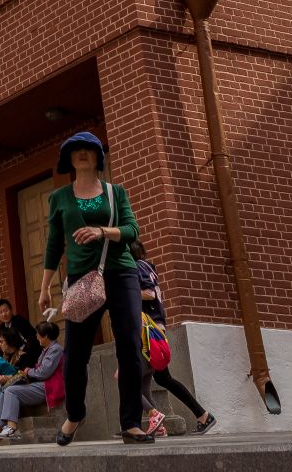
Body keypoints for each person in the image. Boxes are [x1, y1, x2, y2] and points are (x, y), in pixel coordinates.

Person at [35, 130, 154, 445]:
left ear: (98, 157)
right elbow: (52, 245)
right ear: (69, 159)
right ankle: (75, 414)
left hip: (121, 274)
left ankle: (130, 423)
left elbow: (132, 230)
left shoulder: (116, 192)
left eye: (89, 148)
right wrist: (45, 288)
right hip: (81, 279)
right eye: (76, 150)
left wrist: (102, 231)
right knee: (75, 354)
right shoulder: (60, 197)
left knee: (129, 344)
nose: (83, 153)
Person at [133, 252, 216, 436]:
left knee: (130, 379)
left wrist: (127, 293)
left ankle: (146, 421)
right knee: (159, 378)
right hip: (153, 328)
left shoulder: (139, 266)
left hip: (149, 330)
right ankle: (198, 416)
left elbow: (149, 293)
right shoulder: (147, 267)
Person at [0, 321, 65, 442]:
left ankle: (11, 427)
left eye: (38, 334)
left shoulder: (55, 349)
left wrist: (29, 371)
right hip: (42, 385)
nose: (36, 337)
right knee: (6, 391)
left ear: (45, 336)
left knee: (11, 391)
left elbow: (44, 372)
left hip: (50, 386)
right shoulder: (47, 349)